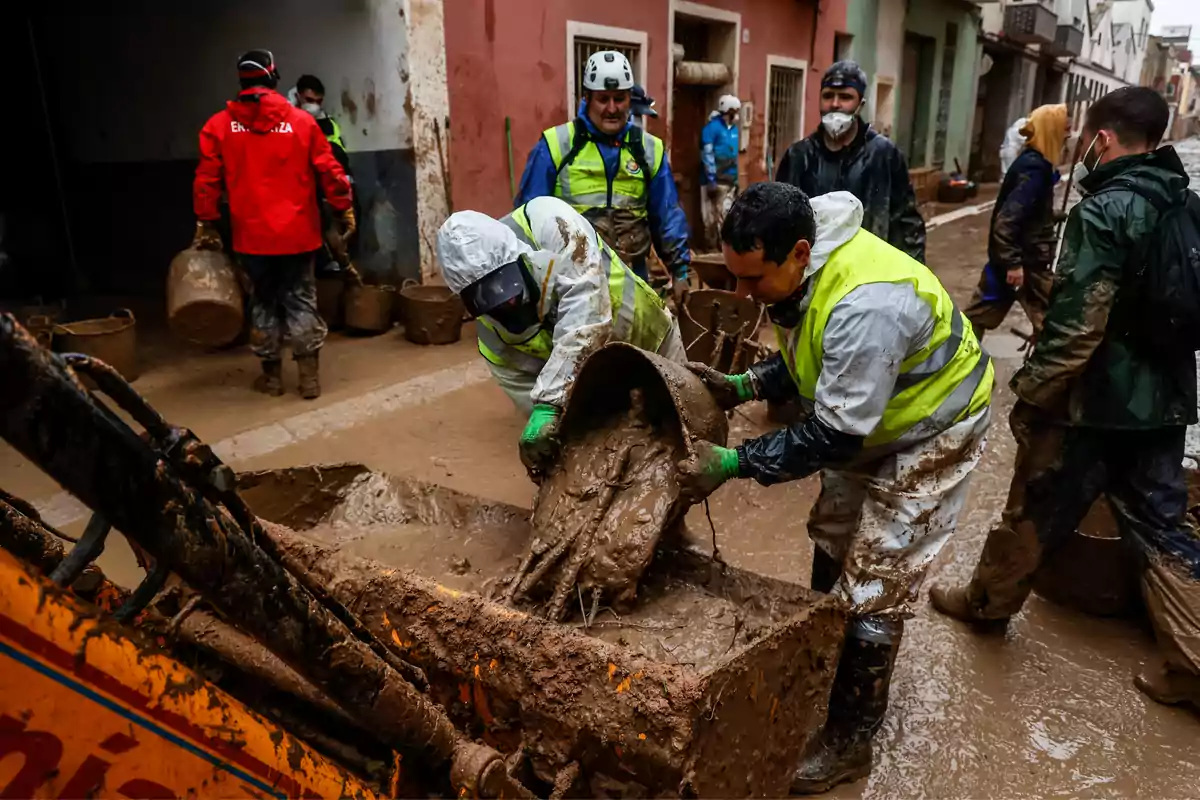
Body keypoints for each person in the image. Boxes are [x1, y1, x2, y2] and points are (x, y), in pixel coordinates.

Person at [676, 182, 993, 792]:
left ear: (798, 253)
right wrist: (744, 385)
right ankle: (826, 657)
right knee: (834, 534)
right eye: (733, 278)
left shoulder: (866, 305)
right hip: (870, 410)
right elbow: (810, 359)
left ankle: (851, 740)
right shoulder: (803, 264)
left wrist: (734, 464)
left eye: (752, 280)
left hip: (934, 424)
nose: (744, 296)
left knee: (877, 578)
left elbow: (835, 436)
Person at [930, 87, 1200, 715]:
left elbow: (1078, 324)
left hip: (1095, 400)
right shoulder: (1187, 205)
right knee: (1164, 527)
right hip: (1165, 401)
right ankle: (1193, 663)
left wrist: (1031, 396)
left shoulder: (1106, 209)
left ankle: (987, 605)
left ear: (1102, 140)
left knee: (1036, 501)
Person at [436, 196, 685, 474]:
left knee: (685, 437)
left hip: (649, 336)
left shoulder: (549, 222)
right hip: (599, 390)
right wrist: (549, 431)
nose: (506, 303)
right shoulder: (494, 343)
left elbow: (588, 314)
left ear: (518, 256)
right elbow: (540, 412)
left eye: (507, 287)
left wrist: (548, 402)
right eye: (490, 300)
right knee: (624, 463)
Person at [192, 49, 354, 400]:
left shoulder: (219, 126)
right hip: (299, 235)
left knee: (263, 303)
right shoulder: (302, 123)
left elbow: (206, 181)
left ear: (242, 82)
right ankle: (308, 379)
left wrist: (206, 220)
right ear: (274, 78)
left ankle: (272, 380)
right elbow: (330, 171)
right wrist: (343, 207)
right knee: (301, 302)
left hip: (251, 239)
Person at [515, 51, 691, 303]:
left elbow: (667, 215)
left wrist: (680, 271)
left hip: (633, 285)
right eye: (603, 99)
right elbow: (527, 217)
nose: (612, 108)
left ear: (630, 98)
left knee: (636, 343)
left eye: (619, 99)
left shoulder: (649, 150)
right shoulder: (556, 145)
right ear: (587, 98)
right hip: (571, 285)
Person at [775, 60, 926, 263]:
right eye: (828, 96)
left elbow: (907, 224)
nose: (835, 104)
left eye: (845, 97)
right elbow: (780, 221)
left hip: (869, 275)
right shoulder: (798, 156)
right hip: (813, 276)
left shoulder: (884, 155)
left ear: (860, 104)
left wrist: (911, 277)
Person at [963, 104, 1066, 341]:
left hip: (1020, 260)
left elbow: (1026, 213)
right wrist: (1013, 264)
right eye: (1065, 130)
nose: (1069, 136)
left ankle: (958, 361)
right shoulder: (1034, 168)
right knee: (1056, 327)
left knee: (977, 316)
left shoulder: (1034, 163)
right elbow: (1007, 221)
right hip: (1026, 264)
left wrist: (1050, 217)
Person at [700, 94, 741, 251]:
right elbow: (707, 154)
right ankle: (710, 247)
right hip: (713, 180)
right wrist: (711, 179)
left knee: (725, 216)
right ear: (727, 111)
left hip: (729, 180)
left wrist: (736, 180)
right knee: (709, 216)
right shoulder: (711, 129)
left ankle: (721, 248)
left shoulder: (734, 130)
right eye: (734, 111)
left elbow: (734, 155)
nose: (736, 115)